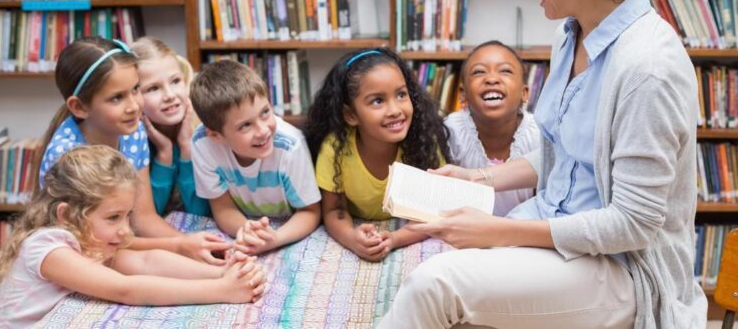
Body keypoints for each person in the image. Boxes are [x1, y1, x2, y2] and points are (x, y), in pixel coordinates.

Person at [381, 0, 706, 328]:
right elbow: (566, 153)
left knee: (434, 285)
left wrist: (502, 231)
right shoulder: (569, 34)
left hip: (622, 267)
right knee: (439, 272)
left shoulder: (648, 67)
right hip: (555, 226)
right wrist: (480, 177)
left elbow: (632, 224)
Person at [0, 146, 265, 328]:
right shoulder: (46, 247)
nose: (126, 230)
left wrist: (220, 272)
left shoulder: (91, 240)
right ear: (66, 215)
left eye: (128, 216)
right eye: (113, 217)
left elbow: (147, 262)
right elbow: (125, 289)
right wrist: (222, 292)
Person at [35, 37, 230, 264]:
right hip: (81, 254)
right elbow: (92, 242)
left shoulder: (133, 131)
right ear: (79, 107)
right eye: (117, 97)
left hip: (117, 244)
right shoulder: (66, 158)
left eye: (135, 89)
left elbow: (143, 217)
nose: (134, 106)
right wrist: (178, 245)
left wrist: (194, 245)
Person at [304, 48, 450, 262]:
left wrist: (394, 239)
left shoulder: (424, 141)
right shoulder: (335, 148)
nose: (395, 110)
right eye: (378, 101)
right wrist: (353, 238)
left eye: (401, 95)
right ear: (351, 115)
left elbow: (433, 211)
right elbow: (334, 210)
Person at [189, 59, 321, 255]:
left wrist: (274, 239)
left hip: (288, 225)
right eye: (245, 125)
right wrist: (248, 231)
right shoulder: (202, 144)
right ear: (216, 135)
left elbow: (310, 212)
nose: (263, 130)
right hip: (248, 222)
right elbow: (222, 209)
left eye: (265, 112)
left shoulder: (290, 145)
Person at [445, 40, 538, 216]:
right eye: (479, 72)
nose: (492, 79)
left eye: (505, 71)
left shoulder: (538, 134)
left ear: (524, 93)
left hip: (524, 233)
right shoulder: (451, 132)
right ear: (462, 95)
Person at [132, 36, 210, 217]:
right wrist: (164, 154)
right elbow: (147, 217)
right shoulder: (133, 140)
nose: (169, 95)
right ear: (134, 95)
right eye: (153, 88)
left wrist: (186, 147)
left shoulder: (205, 129)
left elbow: (200, 213)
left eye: (175, 81)